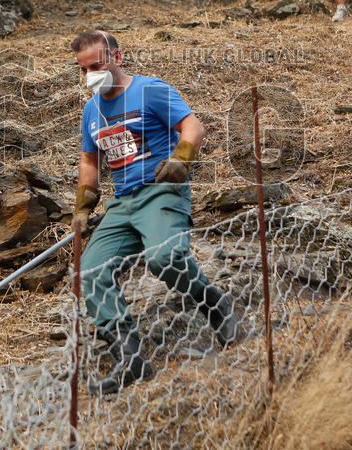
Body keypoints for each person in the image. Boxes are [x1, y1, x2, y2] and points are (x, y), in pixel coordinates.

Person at [70, 30, 240, 395]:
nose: (90, 76)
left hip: (160, 190)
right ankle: (130, 356)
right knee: (90, 270)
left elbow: (192, 126)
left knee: (165, 258)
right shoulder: (91, 110)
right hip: (122, 203)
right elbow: (89, 160)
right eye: (83, 70)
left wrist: (181, 160)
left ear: (117, 56)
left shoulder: (150, 90)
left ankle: (215, 305)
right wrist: (84, 206)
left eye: (96, 66)